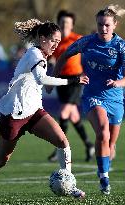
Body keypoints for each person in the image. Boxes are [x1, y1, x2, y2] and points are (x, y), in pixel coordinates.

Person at [0, 19, 88, 204]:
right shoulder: (34, 54)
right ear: (42, 38)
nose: (56, 45)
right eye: (53, 41)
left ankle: (68, 183)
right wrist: (72, 80)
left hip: (34, 112)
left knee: (62, 142)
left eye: (59, 42)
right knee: (1, 160)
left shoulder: (42, 54)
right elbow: (42, 79)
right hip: (14, 114)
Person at [50, 4, 125, 195]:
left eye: (106, 25)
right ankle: (104, 178)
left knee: (111, 145)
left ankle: (103, 164)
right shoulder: (86, 42)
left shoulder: (122, 46)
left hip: (115, 99)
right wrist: (53, 80)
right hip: (92, 96)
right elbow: (63, 56)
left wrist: (118, 83)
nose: (103, 29)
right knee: (103, 133)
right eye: (99, 25)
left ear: (114, 25)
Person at [47, 10, 94, 162]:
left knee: (63, 113)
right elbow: (52, 58)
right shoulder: (55, 40)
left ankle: (59, 148)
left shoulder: (78, 39)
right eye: (61, 22)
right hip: (61, 80)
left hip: (75, 79)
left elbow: (90, 53)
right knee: (73, 115)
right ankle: (88, 145)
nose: (64, 25)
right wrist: (51, 62)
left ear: (72, 25)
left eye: (67, 23)